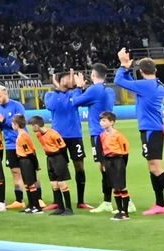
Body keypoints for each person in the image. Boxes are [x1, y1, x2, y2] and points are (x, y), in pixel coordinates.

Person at [114, 49, 164, 215]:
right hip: (153, 129)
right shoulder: (155, 84)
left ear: (141, 71)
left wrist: (123, 65)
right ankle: (160, 204)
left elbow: (118, 80)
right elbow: (130, 84)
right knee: (152, 167)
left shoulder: (144, 85)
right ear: (155, 70)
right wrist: (127, 70)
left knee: (156, 168)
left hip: (150, 130)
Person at [70, 64, 118, 212]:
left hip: (98, 133)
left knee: (105, 167)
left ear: (93, 74)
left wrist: (79, 88)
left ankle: (115, 201)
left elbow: (75, 102)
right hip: (108, 132)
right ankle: (110, 201)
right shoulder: (109, 90)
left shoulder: (94, 89)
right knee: (107, 167)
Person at [45, 71, 88, 211]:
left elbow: (80, 101)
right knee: (57, 168)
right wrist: (57, 90)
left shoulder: (74, 93)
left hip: (75, 135)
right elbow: (51, 106)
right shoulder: (50, 95)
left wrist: (80, 87)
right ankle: (57, 201)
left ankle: (81, 200)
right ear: (60, 81)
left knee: (79, 166)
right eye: (68, 78)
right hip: (57, 137)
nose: (71, 80)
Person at [29, 114, 73, 215]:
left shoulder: (53, 134)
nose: (31, 128)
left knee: (61, 182)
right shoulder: (39, 135)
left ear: (36, 126)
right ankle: (60, 207)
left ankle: (69, 208)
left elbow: (63, 148)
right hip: (49, 158)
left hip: (58, 157)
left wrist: (65, 161)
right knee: (53, 183)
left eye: (31, 126)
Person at [0, 85, 26, 209]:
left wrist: (3, 120)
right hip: (10, 144)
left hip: (22, 142)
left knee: (30, 171)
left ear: (6, 94)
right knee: (15, 172)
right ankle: (19, 199)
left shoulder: (17, 106)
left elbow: (20, 124)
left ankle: (38, 198)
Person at [97, 110, 133, 221]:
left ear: (111, 122)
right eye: (101, 121)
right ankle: (119, 209)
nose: (101, 123)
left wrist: (122, 164)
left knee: (121, 185)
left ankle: (125, 212)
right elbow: (101, 150)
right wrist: (102, 163)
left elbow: (125, 151)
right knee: (114, 186)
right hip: (108, 161)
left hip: (118, 160)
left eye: (104, 120)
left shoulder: (118, 135)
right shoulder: (102, 135)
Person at [11, 114, 42, 214]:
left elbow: (29, 152)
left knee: (31, 183)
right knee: (27, 184)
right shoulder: (21, 135)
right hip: (23, 160)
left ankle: (36, 206)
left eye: (12, 124)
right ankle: (31, 205)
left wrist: (35, 164)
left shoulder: (23, 136)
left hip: (26, 160)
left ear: (16, 124)